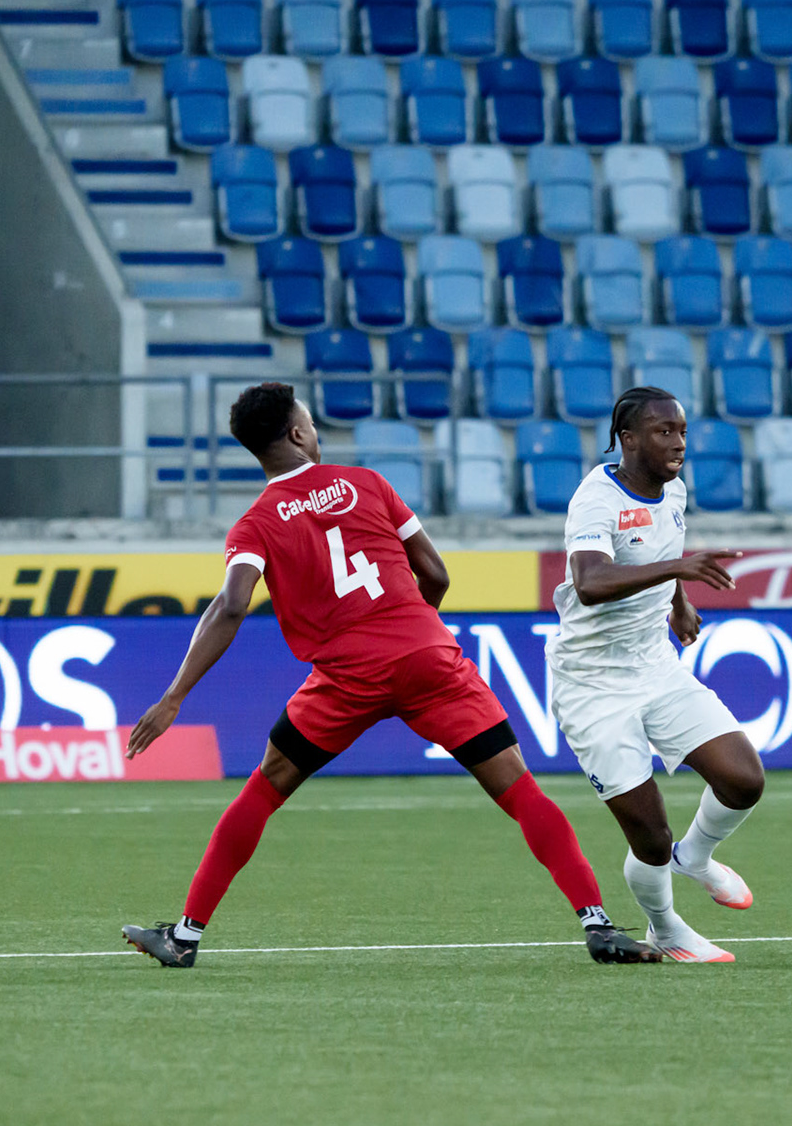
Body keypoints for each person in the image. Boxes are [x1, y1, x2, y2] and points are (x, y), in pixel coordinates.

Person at [120, 383, 658, 967]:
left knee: (265, 788)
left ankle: (185, 937)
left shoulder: (254, 525)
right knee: (520, 790)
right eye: (310, 420)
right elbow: (436, 573)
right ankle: (597, 924)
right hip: (428, 655)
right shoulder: (367, 483)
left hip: (346, 675)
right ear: (299, 433)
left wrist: (175, 696)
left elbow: (230, 606)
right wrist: (412, 626)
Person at [548, 386, 767, 964]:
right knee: (649, 836)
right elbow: (592, 583)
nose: (678, 444)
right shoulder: (595, 499)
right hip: (592, 683)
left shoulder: (674, 490)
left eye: (682, 432)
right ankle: (666, 928)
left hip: (654, 664)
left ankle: (695, 858)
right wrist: (676, 570)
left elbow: (660, 547)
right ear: (628, 439)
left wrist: (676, 601)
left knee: (744, 778)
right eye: (663, 432)